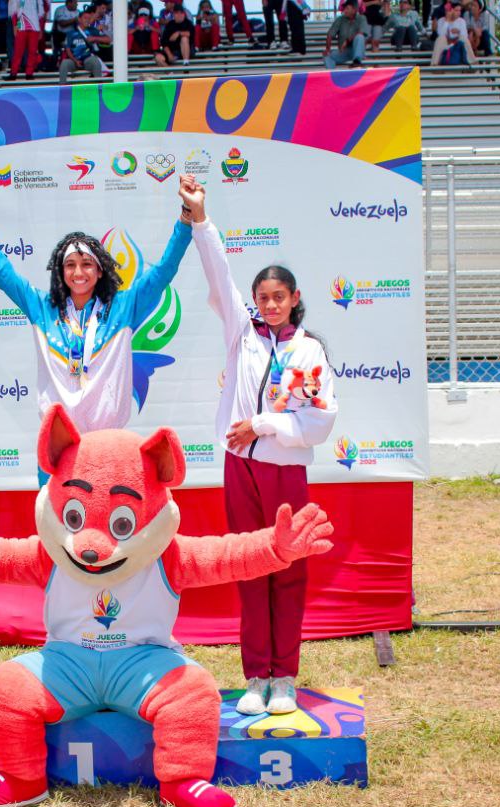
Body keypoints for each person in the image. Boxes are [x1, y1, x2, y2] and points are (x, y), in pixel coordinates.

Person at [182, 177, 337, 718]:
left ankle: (285, 678)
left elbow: (319, 423)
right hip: (240, 471)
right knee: (249, 569)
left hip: (285, 473)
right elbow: (218, 272)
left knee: (287, 571)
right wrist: (201, 219)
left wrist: (261, 425)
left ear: (295, 299)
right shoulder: (241, 334)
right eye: (262, 298)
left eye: (279, 297)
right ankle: (256, 676)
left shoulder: (309, 351)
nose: (270, 305)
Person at [0, 177, 196, 459]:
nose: (78, 272)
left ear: (100, 271)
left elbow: (164, 271)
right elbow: (0, 272)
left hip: (108, 442)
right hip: (58, 442)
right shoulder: (42, 307)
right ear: (61, 272)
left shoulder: (124, 306)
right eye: (70, 265)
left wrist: (186, 216)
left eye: (87, 264)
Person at [58, 7, 107, 83]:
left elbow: (108, 39)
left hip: (88, 59)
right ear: (79, 19)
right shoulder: (71, 33)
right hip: (73, 60)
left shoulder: (93, 31)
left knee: (95, 61)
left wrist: (94, 38)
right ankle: (62, 86)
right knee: (64, 63)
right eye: (85, 18)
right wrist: (75, 60)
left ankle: (99, 86)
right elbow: (68, 49)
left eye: (89, 18)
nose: (87, 20)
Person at [9, 0, 50, 80]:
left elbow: (43, 10)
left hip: (35, 25)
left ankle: (29, 73)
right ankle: (13, 73)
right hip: (21, 24)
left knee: (32, 51)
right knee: (18, 51)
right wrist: (14, 25)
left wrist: (41, 28)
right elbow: (13, 9)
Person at [324, 0, 368, 68]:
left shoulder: (362, 18)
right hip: (343, 51)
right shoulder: (340, 19)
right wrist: (328, 49)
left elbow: (361, 33)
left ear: (354, 10)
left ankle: (357, 62)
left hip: (356, 49)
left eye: (347, 8)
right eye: (344, 8)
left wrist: (347, 41)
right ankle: (332, 73)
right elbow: (330, 34)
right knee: (327, 55)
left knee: (360, 37)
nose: (345, 10)